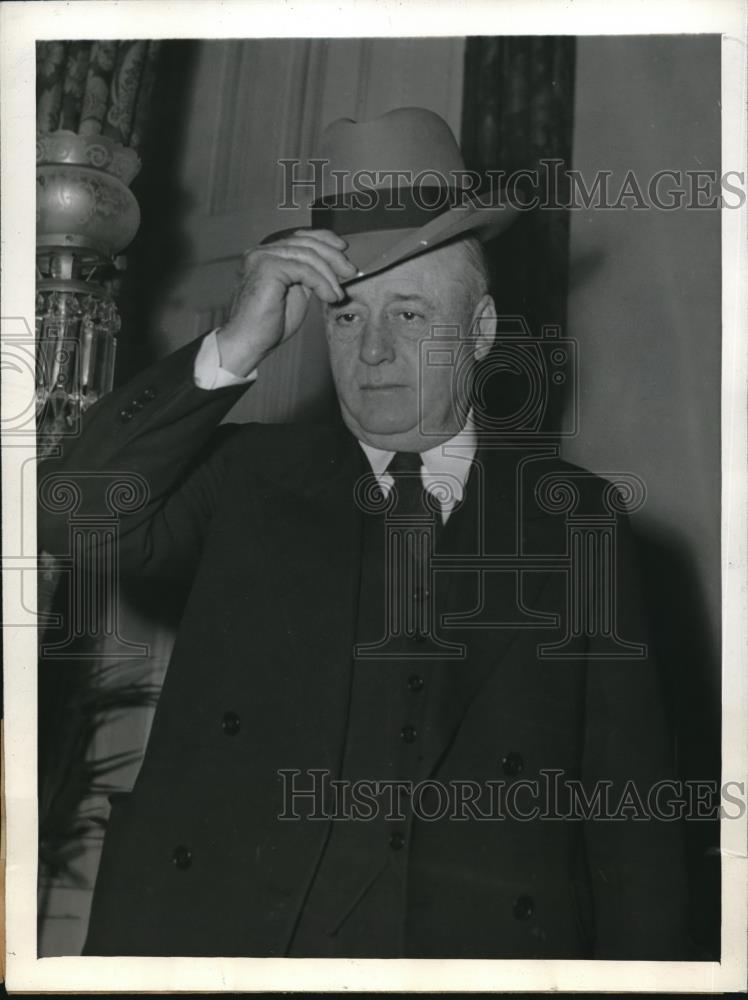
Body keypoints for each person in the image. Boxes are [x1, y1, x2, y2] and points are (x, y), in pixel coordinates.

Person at [38, 107, 687, 959]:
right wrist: (233, 345)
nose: (373, 351)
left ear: (482, 332)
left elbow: (631, 826)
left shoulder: (581, 524)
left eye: (411, 317)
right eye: (347, 317)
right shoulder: (245, 482)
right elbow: (69, 515)